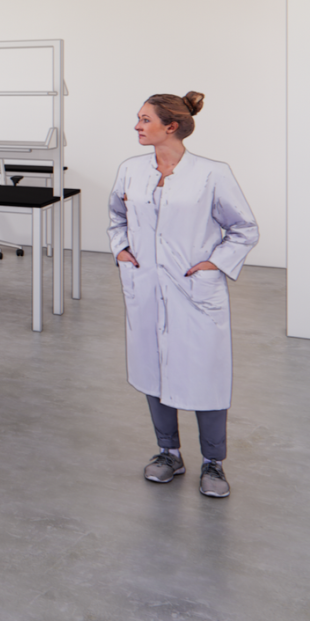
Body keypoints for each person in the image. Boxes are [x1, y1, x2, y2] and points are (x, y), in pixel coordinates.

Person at [109, 92, 258, 498]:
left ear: (170, 126)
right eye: (138, 119)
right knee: (154, 367)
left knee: (207, 374)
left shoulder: (212, 173)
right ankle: (168, 453)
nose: (137, 126)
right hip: (145, 286)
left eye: (144, 120)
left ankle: (213, 462)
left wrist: (214, 264)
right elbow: (116, 216)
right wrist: (121, 250)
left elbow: (244, 229)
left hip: (194, 290)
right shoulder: (130, 170)